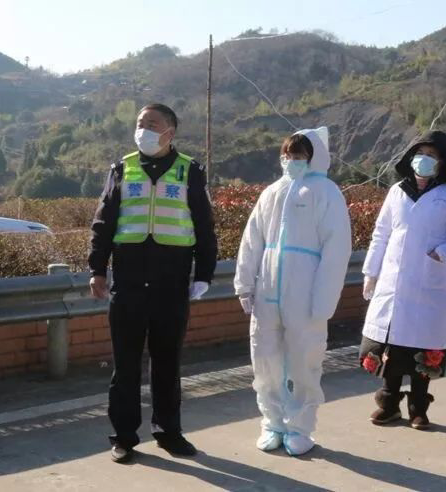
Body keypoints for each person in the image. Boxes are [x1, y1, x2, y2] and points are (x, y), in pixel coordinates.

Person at [88, 103, 218, 463]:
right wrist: (97, 269)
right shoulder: (122, 168)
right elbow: (103, 222)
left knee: (167, 362)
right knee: (125, 365)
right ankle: (123, 437)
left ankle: (169, 433)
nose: (143, 129)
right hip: (128, 279)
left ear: (169, 132)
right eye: (140, 123)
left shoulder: (191, 171)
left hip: (171, 281)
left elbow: (204, 225)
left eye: (152, 124)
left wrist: (204, 274)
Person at [234, 127, 351, 456]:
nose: (291, 160)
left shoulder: (326, 192)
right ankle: (272, 422)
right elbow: (252, 239)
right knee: (265, 358)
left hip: (305, 291)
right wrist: (245, 283)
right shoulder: (272, 192)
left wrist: (324, 300)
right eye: (287, 154)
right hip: (268, 290)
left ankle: (300, 427)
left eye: (298, 155)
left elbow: (336, 250)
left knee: (304, 359)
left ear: (314, 158)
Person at [360, 131, 446, 430]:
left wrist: (442, 253)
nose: (424, 159)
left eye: (432, 155)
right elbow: (381, 233)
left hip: (429, 282)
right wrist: (371, 273)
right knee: (391, 347)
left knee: (423, 350)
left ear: (443, 162)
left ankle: (419, 408)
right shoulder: (397, 191)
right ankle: (388, 404)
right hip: (393, 283)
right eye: (420, 153)